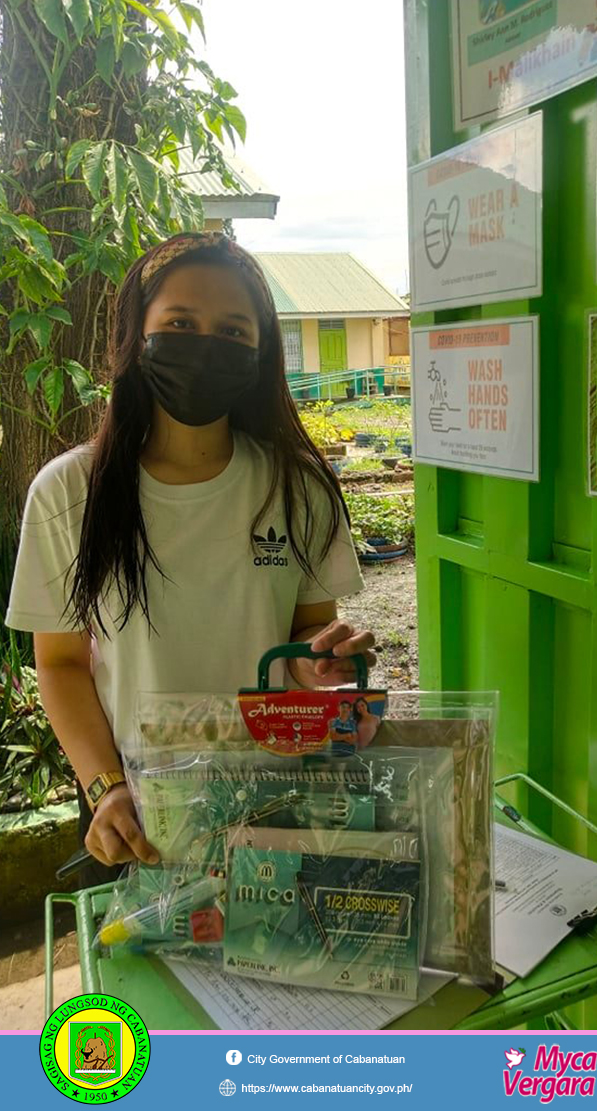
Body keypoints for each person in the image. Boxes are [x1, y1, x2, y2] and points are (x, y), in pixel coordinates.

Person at [4, 231, 375, 885]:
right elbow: (61, 663)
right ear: (135, 336)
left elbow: (307, 630)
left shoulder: (299, 486)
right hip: (147, 820)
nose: (206, 344)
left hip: (279, 808)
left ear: (260, 354)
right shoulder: (69, 493)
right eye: (180, 323)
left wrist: (322, 662)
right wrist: (106, 787)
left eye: (233, 331)